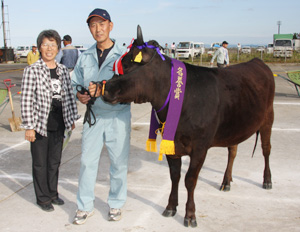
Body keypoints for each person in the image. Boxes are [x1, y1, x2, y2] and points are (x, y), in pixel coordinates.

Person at [71, 8, 131, 224]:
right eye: (93, 25)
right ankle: (84, 205)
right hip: (93, 116)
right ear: (89, 29)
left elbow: (130, 85)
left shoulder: (123, 56)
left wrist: (104, 89)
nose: (97, 29)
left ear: (110, 26)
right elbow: (75, 80)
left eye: (101, 24)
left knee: (119, 163)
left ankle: (115, 204)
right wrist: (79, 93)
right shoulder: (85, 56)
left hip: (118, 115)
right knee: (87, 162)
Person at [20, 29, 80, 212]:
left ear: (58, 48)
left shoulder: (62, 70)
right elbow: (27, 99)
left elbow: (69, 96)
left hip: (59, 120)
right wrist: (29, 127)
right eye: (45, 44)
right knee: (40, 162)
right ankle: (43, 198)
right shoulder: (32, 70)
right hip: (40, 122)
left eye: (53, 45)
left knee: (55, 161)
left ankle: (53, 193)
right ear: (39, 47)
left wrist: (71, 118)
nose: (49, 48)